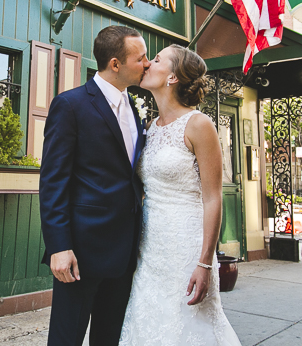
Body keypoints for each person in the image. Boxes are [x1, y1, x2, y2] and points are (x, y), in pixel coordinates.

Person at [118, 45, 240, 346]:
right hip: (150, 249)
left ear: (172, 77)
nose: (148, 64)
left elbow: (213, 198)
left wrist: (205, 263)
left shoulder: (199, 125)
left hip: (186, 247)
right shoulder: (150, 127)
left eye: (156, 60)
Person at [39, 25, 150, 346]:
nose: (147, 63)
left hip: (125, 251)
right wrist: (59, 246)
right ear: (115, 64)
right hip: (81, 252)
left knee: (109, 337)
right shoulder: (70, 105)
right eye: (140, 58)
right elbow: (53, 181)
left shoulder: (134, 107)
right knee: (66, 338)